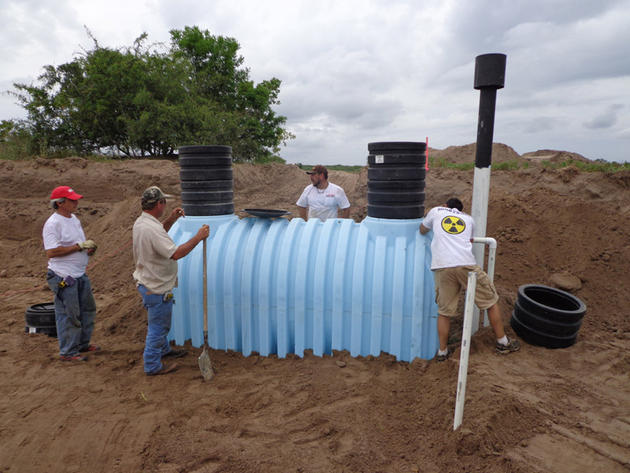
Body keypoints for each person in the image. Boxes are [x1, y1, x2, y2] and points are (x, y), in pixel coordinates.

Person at [420, 197, 520, 361]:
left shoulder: (436, 211)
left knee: (444, 312)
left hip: (442, 267)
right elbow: (468, 239)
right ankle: (503, 342)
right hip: (465, 264)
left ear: (445, 205)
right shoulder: (468, 219)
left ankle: (442, 352)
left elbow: (422, 230)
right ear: (461, 210)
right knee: (490, 301)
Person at [132, 186, 210, 376]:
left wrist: (171, 219)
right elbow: (176, 253)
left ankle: (164, 350)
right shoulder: (151, 228)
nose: (165, 205)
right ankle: (152, 365)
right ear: (159, 204)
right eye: (164, 202)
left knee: (158, 323)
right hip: (156, 288)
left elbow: (159, 233)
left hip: (148, 283)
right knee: (158, 327)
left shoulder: (143, 222)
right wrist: (198, 238)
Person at [43, 186, 100, 362]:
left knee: (87, 309)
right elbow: (51, 252)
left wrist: (86, 250)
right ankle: (68, 351)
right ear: (60, 203)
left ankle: (82, 344)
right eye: (72, 200)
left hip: (79, 273)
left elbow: (78, 243)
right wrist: (78, 247)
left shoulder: (74, 219)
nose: (76, 203)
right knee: (69, 313)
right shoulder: (53, 224)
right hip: (63, 275)